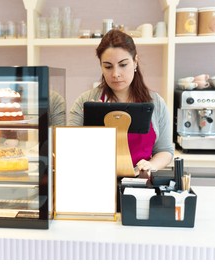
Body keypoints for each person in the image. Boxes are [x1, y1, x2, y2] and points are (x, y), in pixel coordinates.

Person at [68, 29, 174, 172]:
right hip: (96, 179)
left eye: (123, 64)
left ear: (135, 62)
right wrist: (93, 131)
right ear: (101, 66)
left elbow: (165, 151)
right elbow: (69, 150)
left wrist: (151, 166)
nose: (116, 74)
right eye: (108, 66)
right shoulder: (85, 101)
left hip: (140, 184)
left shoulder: (156, 102)